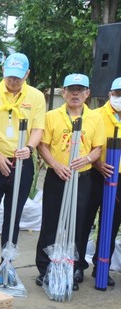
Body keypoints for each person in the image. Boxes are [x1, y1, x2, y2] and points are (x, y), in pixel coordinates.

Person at [35, 74, 104, 291]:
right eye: (71, 89)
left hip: (82, 178)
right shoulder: (52, 116)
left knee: (80, 224)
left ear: (87, 93)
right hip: (58, 177)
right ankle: (45, 268)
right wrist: (56, 165)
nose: (75, 93)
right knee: (50, 224)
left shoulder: (94, 118)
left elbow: (98, 148)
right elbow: (42, 145)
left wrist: (88, 159)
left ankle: (74, 267)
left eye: (80, 89)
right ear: (63, 92)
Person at [0, 53, 46, 251]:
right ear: (3, 71)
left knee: (13, 215)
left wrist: (29, 148)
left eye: (18, 76)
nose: (13, 80)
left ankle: (7, 263)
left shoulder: (36, 96)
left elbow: (38, 129)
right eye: (10, 75)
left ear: (27, 74)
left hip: (22, 164)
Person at [87, 76, 121, 287]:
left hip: (119, 178)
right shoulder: (96, 115)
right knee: (85, 219)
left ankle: (102, 267)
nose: (120, 98)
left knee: (112, 222)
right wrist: (98, 163)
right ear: (110, 94)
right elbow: (88, 144)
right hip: (97, 172)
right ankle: (77, 266)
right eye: (118, 94)